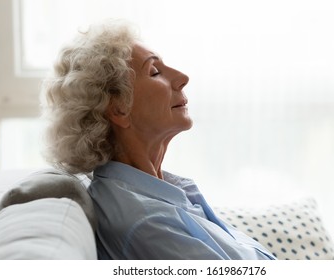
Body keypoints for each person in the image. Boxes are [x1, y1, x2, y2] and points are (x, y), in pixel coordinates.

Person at [42, 20, 275, 260]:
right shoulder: (147, 222)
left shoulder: (162, 192)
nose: (183, 77)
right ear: (119, 109)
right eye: (154, 71)